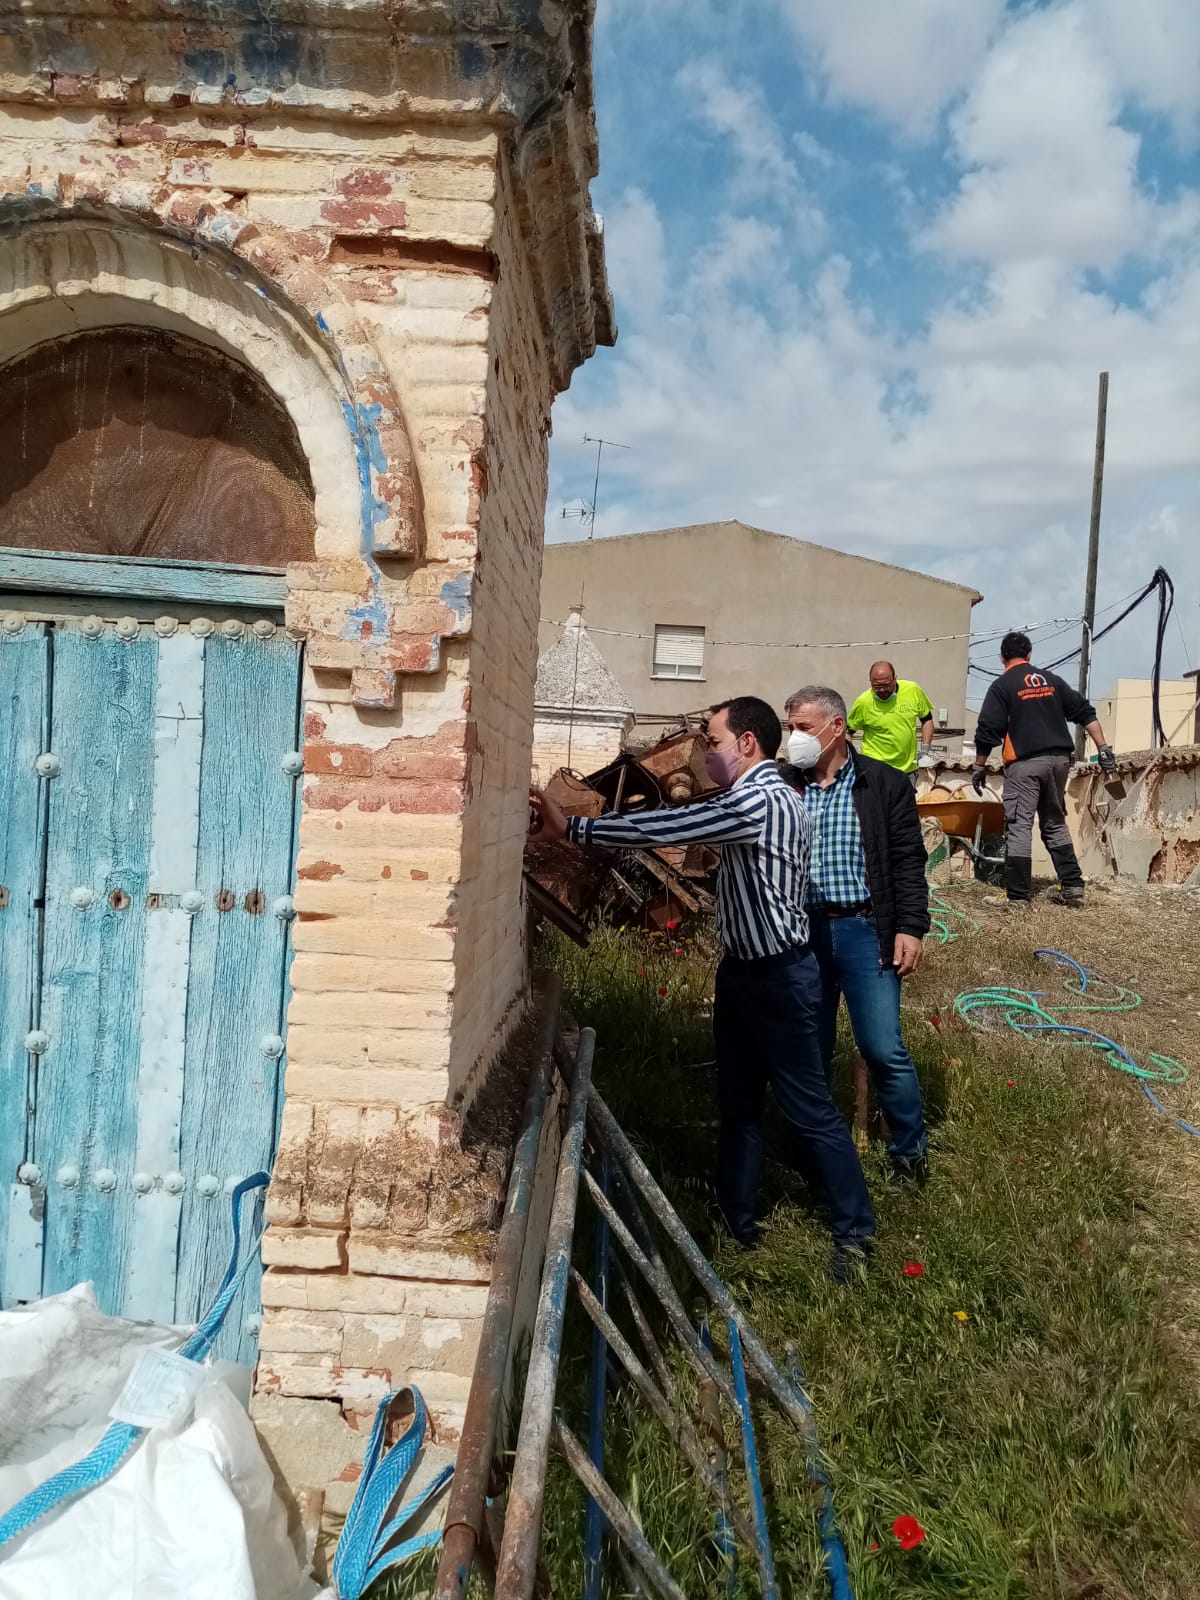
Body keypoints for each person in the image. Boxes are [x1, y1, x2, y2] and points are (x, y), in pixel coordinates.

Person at [529, 695, 876, 1280]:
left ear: (747, 744)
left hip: (780, 979)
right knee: (737, 1104)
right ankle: (737, 1221)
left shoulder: (759, 798)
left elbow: (672, 822)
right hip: (744, 973)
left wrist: (575, 827)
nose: (706, 756)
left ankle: (855, 1235)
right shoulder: (765, 799)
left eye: (713, 743)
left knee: (809, 1110)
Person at [783, 686, 931, 1184]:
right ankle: (816, 1156)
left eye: (803, 728)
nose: (794, 738)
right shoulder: (788, 784)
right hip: (803, 938)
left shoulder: (882, 783)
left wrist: (910, 927)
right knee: (809, 1049)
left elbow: (909, 860)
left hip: (866, 931)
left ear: (837, 728)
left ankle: (909, 1157)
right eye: (790, 728)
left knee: (883, 1047)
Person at [972, 630, 1116, 906]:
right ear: (1029, 655)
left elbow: (987, 729)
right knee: (1054, 822)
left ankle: (1017, 897)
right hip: (1060, 762)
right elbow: (1085, 712)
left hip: (1025, 764)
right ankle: (1073, 886)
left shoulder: (1002, 686)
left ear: (1002, 658)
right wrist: (1103, 748)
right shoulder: (1051, 680)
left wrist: (979, 766)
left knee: (1019, 825)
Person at [847, 661, 936, 779]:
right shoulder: (863, 702)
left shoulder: (912, 690)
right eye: (876, 687)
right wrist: (850, 759)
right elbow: (847, 732)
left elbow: (927, 720)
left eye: (886, 685)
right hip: (874, 771)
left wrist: (924, 751)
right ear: (870, 682)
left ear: (895, 679)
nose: (882, 690)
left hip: (907, 771)